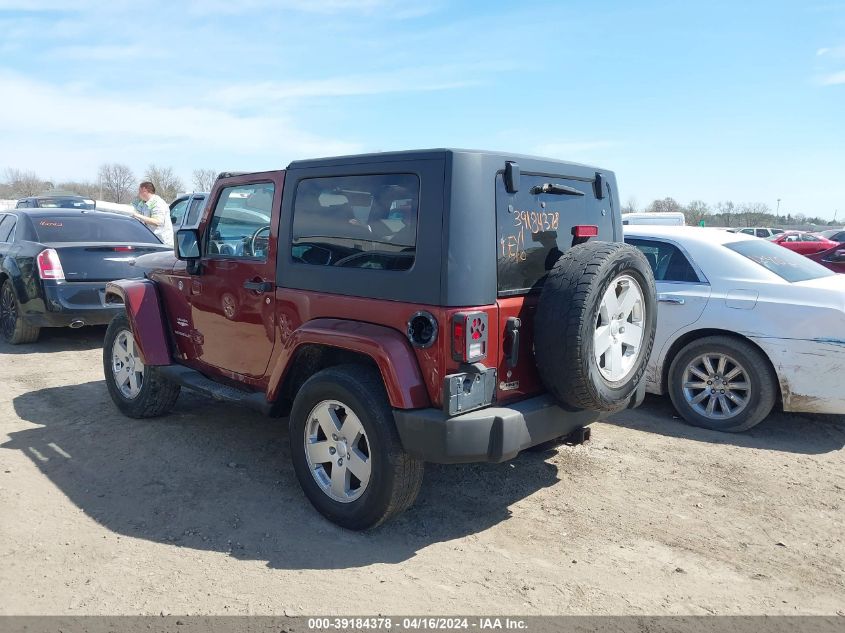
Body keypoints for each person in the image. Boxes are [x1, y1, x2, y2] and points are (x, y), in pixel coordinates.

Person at [133, 181, 174, 246]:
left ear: (144, 191)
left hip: (162, 243)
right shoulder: (143, 203)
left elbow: (158, 222)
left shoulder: (157, 203)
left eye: (139, 191)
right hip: (151, 241)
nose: (138, 194)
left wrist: (138, 216)